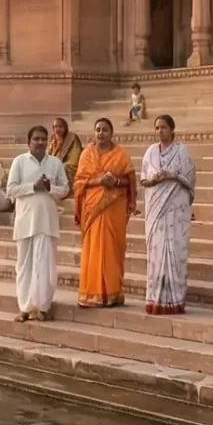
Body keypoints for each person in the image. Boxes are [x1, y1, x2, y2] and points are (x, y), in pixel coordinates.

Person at [6, 124, 70, 321]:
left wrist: (50, 188)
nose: (40, 142)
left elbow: (65, 189)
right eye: (36, 139)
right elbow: (10, 189)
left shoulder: (55, 163)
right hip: (25, 221)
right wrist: (33, 187)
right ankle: (25, 308)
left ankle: (42, 307)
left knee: (45, 266)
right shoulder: (19, 161)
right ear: (29, 142)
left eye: (43, 139)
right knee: (24, 266)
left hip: (47, 221)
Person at [74, 117, 135, 308]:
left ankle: (112, 293)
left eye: (105, 130)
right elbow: (79, 182)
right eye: (98, 129)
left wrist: (115, 181)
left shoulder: (121, 154)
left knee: (112, 250)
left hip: (114, 209)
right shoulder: (86, 154)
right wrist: (99, 181)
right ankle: (91, 293)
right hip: (92, 208)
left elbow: (129, 181)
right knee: (93, 249)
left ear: (111, 133)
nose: (101, 133)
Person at [138, 114, 195, 315]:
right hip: (155, 211)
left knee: (175, 252)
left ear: (172, 129)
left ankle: (175, 300)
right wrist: (155, 179)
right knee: (156, 252)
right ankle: (155, 300)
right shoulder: (150, 152)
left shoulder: (182, 152)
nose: (160, 131)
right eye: (157, 128)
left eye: (163, 127)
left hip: (175, 210)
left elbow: (190, 180)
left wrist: (172, 176)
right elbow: (143, 179)